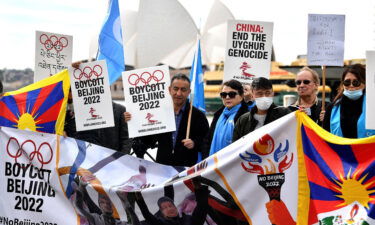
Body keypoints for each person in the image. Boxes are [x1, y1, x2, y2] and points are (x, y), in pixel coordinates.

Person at [129, 74, 209, 167]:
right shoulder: (159, 113)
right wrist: (132, 120)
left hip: (186, 169)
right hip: (162, 167)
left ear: (189, 92)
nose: (178, 93)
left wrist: (194, 143)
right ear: (169, 90)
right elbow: (148, 140)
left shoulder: (198, 116)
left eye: (183, 90)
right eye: (175, 89)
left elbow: (206, 141)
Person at [323, 64, 375, 138]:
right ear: (343, 84)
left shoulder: (373, 107)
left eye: (356, 82)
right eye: (347, 82)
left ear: (365, 84)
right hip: (340, 149)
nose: (351, 85)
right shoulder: (332, 108)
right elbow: (325, 137)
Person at [232, 77, 291, 142]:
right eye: (259, 93)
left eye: (267, 93)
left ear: (273, 93)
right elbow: (236, 146)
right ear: (252, 95)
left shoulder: (284, 114)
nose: (264, 97)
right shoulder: (243, 121)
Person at [204, 79, 249, 157]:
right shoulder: (218, 115)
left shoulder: (246, 116)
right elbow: (208, 140)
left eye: (232, 94)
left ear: (241, 96)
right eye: (224, 95)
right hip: (213, 163)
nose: (227, 97)